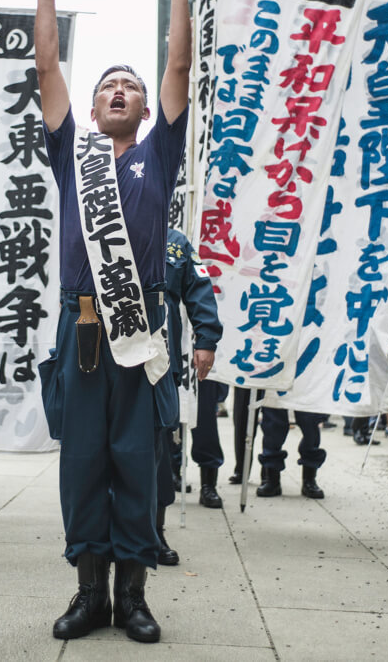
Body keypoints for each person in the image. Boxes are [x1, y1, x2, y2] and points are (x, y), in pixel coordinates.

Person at [35, 0, 191, 644]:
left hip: (144, 326)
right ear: (93, 112)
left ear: (146, 109)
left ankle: (133, 595)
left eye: (128, 84)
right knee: (82, 462)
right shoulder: (77, 154)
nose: (119, 90)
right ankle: (87, 592)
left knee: (138, 460)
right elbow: (46, 70)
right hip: (84, 328)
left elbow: (179, 66)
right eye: (107, 87)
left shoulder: (160, 152)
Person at [154, 227, 222, 566]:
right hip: (110, 359)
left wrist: (206, 339)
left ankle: (154, 531)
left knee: (158, 450)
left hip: (159, 362)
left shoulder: (175, 242)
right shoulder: (102, 225)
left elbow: (199, 289)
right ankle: (107, 533)